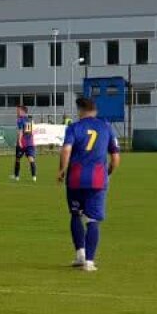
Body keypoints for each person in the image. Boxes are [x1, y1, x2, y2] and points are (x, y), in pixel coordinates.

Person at [57, 96, 121, 272]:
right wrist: (108, 172)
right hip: (97, 179)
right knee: (93, 220)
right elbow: (115, 158)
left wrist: (61, 170)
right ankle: (89, 262)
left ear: (80, 110)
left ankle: (80, 255)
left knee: (75, 214)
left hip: (75, 178)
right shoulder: (106, 127)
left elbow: (66, 150)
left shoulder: (74, 127)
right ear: (95, 110)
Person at [13, 104, 37, 181]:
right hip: (30, 142)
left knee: (18, 159)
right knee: (31, 159)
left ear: (22, 111)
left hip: (22, 142)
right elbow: (33, 131)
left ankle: (16, 176)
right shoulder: (30, 119)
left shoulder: (20, 120)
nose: (17, 112)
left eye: (18, 110)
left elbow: (20, 132)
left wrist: (19, 141)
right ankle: (34, 177)